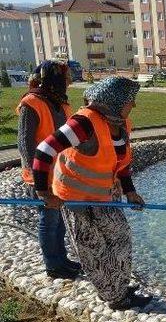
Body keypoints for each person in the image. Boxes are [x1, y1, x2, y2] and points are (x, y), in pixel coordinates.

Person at [32, 76, 151, 309]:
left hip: (106, 197)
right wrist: (44, 193)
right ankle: (115, 298)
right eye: (130, 101)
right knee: (93, 249)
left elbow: (122, 163)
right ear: (114, 101)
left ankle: (119, 285)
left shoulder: (121, 124)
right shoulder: (83, 124)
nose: (133, 105)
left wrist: (130, 192)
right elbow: (44, 151)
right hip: (75, 198)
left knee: (120, 238)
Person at [16, 60, 80, 279]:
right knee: (48, 219)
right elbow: (25, 144)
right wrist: (38, 178)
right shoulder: (31, 103)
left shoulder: (60, 104)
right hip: (41, 176)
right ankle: (52, 265)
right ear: (54, 78)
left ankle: (62, 258)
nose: (70, 80)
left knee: (59, 219)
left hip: (59, 174)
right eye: (66, 77)